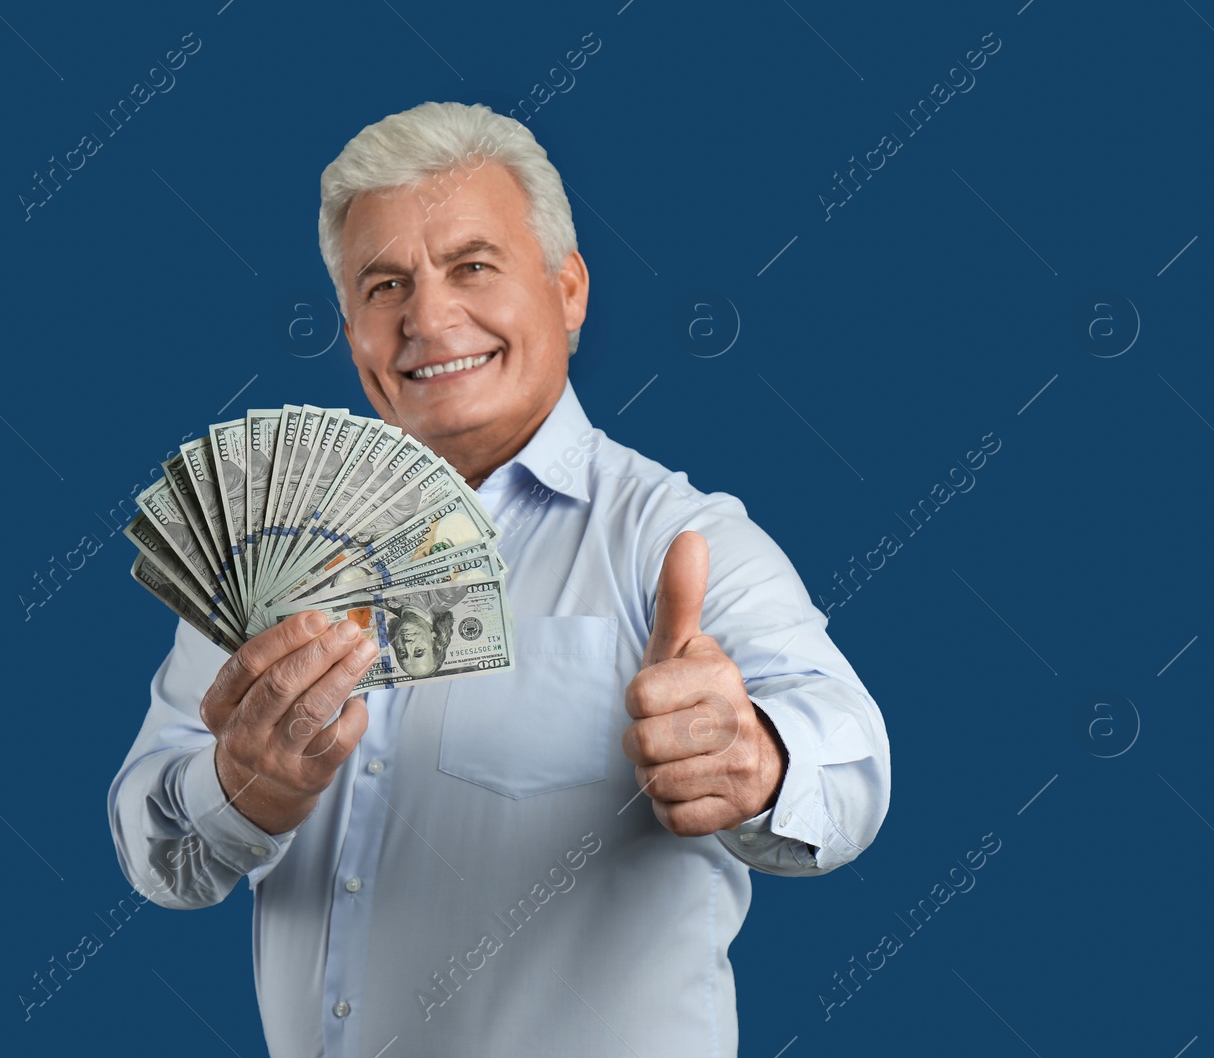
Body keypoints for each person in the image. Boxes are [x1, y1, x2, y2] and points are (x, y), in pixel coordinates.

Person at [108, 101, 890, 1057]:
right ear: (352, 331)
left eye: (472, 266)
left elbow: (852, 768)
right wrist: (236, 792)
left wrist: (757, 758)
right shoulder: (264, 550)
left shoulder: (672, 538)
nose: (429, 318)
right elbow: (155, 854)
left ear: (568, 290)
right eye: (384, 284)